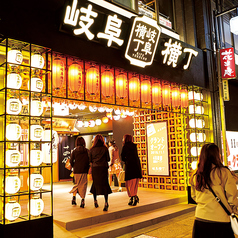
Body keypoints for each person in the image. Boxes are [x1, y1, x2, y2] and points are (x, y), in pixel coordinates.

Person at [190, 143, 238, 238]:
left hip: (200, 219)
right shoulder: (223, 172)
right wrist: (235, 210)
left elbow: (194, 196)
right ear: (217, 155)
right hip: (221, 221)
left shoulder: (196, 174)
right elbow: (232, 197)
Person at [89, 134, 112, 211]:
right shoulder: (105, 148)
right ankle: (106, 202)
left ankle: (95, 201)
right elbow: (108, 159)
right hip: (103, 168)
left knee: (95, 184)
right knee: (105, 184)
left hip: (95, 168)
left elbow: (90, 160)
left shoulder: (92, 149)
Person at [121, 134, 142, 206]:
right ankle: (134, 196)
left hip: (129, 167)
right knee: (135, 184)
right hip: (136, 166)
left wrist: (126, 160)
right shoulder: (134, 146)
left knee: (129, 184)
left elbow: (122, 157)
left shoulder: (125, 147)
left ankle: (132, 197)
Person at [69, 136, 90, 208]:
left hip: (76, 170)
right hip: (84, 170)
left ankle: (74, 198)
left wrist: (74, 166)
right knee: (83, 185)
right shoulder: (87, 151)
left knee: (76, 184)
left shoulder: (74, 151)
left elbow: (71, 161)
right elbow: (89, 161)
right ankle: (83, 200)